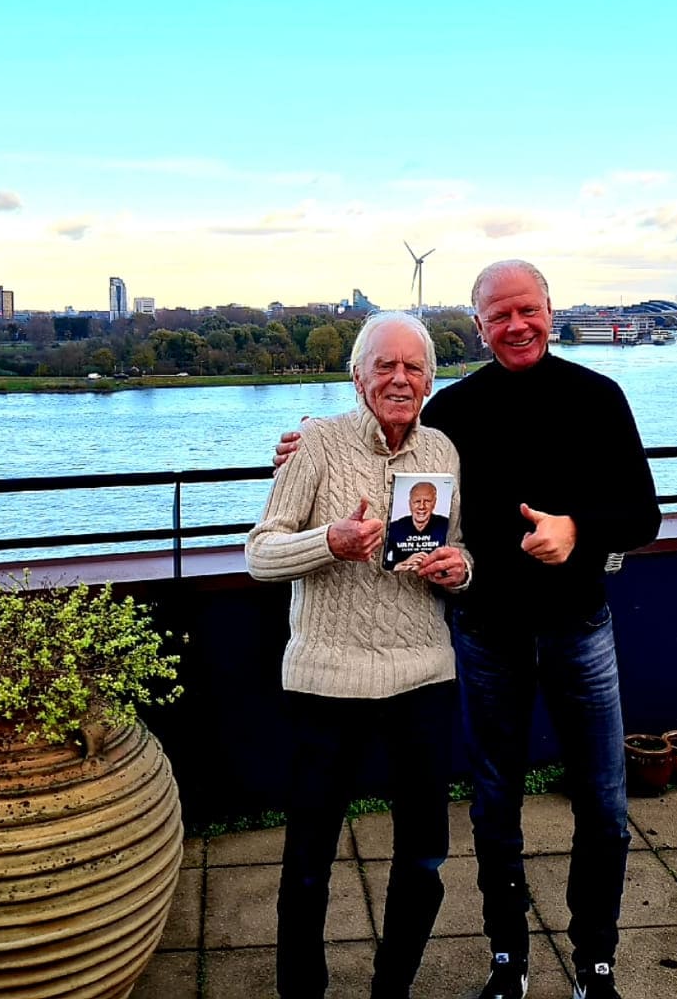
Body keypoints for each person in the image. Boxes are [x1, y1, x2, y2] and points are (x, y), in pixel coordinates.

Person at [274, 261, 660, 999]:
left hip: (581, 629)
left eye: (529, 311)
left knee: (604, 807)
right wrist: (297, 451)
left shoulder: (599, 397)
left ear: (550, 310)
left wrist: (578, 528)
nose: (516, 326)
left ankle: (596, 963)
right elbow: (381, 441)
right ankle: (508, 958)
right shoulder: (453, 413)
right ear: (477, 327)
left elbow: (643, 514)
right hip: (488, 636)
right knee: (493, 806)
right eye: (498, 316)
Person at [247, 310, 472, 999]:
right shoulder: (316, 447)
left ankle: (392, 989)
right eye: (385, 366)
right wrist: (329, 543)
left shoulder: (444, 451)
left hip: (423, 673)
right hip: (328, 678)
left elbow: (460, 548)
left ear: (430, 380)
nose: (399, 378)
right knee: (309, 860)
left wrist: (462, 568)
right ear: (357, 377)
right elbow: (259, 552)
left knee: (425, 856)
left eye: (413, 367)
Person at [387, 480, 451, 571]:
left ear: (434, 503)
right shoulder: (394, 527)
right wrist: (399, 565)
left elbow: (458, 555)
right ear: (410, 503)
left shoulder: (446, 524)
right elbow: (378, 559)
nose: (421, 506)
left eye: (427, 501)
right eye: (417, 501)